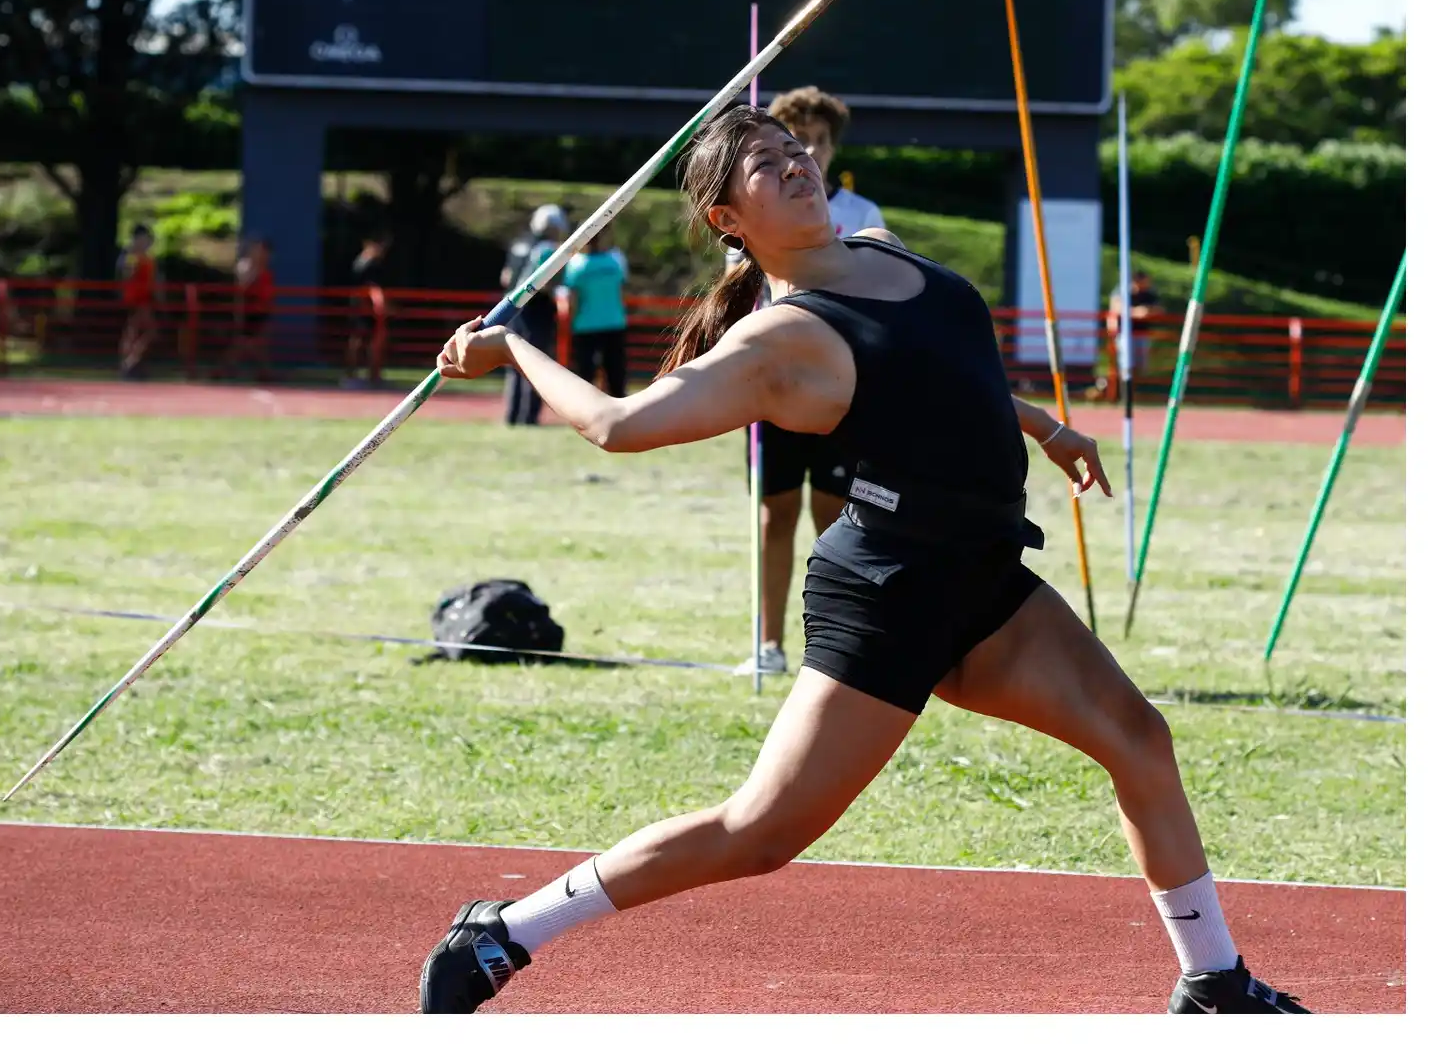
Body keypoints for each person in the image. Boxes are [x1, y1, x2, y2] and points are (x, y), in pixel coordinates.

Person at [423, 106, 1308, 1016]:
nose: (796, 164)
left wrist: (1041, 423)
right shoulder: (779, 342)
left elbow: (944, 370)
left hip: (985, 578)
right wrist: (518, 345)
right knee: (759, 832)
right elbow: (618, 424)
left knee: (1140, 740)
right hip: (891, 595)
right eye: (766, 164)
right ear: (727, 217)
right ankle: (505, 931)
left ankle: (1213, 981)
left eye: (794, 148)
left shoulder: (882, 244)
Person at [733, 85, 886, 678]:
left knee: (838, 518)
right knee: (774, 515)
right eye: (796, 143)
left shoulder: (863, 217)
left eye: (819, 143)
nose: (809, 155)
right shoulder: (757, 213)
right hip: (774, 385)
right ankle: (766, 644)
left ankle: (834, 647)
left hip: (837, 388)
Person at [500, 205, 568, 425]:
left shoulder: (519, 244)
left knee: (513, 361)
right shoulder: (547, 248)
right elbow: (545, 285)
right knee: (535, 362)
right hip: (537, 310)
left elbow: (506, 276)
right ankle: (529, 416)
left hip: (511, 309)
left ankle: (511, 415)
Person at [560, 224, 630, 397]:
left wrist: (570, 321)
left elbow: (573, 299)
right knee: (616, 373)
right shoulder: (615, 261)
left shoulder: (576, 265)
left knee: (585, 374)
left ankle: (585, 411)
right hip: (614, 322)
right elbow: (622, 292)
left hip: (585, 325)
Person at [213, 236, 275, 384]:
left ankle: (261, 371)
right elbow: (241, 289)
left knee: (254, 343)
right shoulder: (245, 266)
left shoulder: (265, 268)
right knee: (245, 342)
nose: (261, 253)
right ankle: (225, 369)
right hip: (248, 310)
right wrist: (238, 313)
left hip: (261, 310)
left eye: (263, 250)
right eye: (258, 249)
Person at [344, 232, 391, 390]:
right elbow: (372, 288)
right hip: (363, 308)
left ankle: (372, 375)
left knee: (368, 341)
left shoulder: (368, 263)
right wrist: (380, 304)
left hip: (365, 308)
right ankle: (358, 375)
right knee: (360, 341)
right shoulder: (366, 264)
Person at [116, 223, 160, 380]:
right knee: (146, 331)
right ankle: (130, 361)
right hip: (138, 298)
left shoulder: (144, 256)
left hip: (143, 297)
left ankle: (130, 362)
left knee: (133, 331)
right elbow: (127, 275)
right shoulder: (132, 256)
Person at [1108, 270, 1160, 380]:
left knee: (1140, 363)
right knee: (1124, 361)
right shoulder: (1122, 292)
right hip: (1124, 333)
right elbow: (1116, 307)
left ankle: (1137, 386)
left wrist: (1147, 311)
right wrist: (1136, 312)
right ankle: (1122, 386)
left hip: (1141, 333)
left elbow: (1159, 309)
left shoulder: (1149, 294)